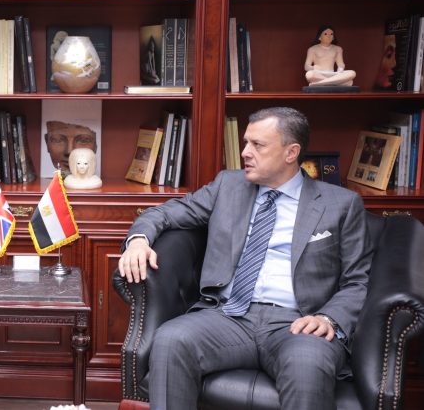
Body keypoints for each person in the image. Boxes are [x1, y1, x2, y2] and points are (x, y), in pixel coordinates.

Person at [118, 107, 371, 410]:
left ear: (291, 152)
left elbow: (358, 280)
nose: (245, 153)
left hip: (298, 322)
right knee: (171, 339)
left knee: (308, 363)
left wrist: (328, 318)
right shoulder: (228, 185)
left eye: (257, 145)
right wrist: (138, 241)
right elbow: (166, 212)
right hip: (228, 315)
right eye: (246, 142)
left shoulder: (340, 204)